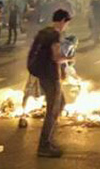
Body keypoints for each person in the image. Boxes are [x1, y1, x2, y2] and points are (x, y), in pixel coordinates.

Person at [27, 9, 72, 158]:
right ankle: (44, 145)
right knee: (53, 110)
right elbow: (56, 57)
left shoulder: (44, 32)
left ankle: (49, 139)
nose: (66, 26)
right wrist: (70, 59)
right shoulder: (54, 35)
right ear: (63, 21)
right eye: (66, 23)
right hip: (51, 77)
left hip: (44, 75)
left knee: (60, 104)